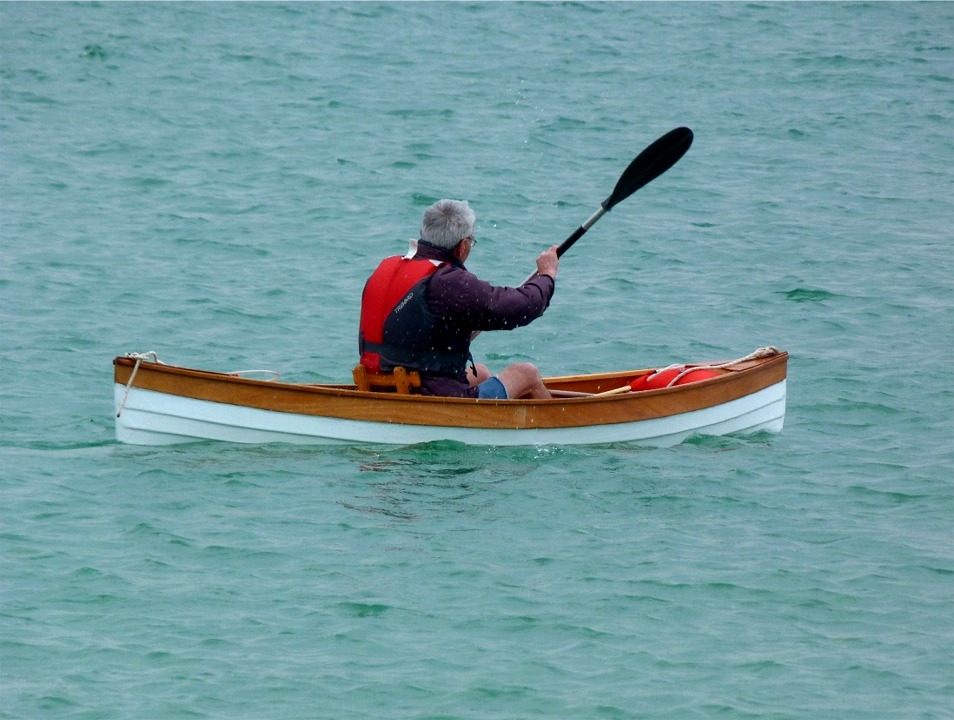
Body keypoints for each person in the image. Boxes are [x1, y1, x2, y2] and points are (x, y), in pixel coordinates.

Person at [358, 199, 559, 399]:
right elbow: (523, 307)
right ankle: (555, 427)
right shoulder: (448, 282)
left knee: (480, 373)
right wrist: (546, 275)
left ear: (422, 235)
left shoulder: (384, 272)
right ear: (463, 246)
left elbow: (413, 326)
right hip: (429, 396)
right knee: (527, 374)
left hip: (379, 388)